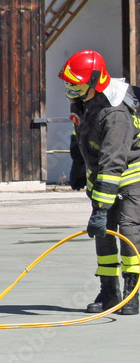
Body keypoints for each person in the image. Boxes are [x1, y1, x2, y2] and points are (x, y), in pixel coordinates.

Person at [59, 50, 140, 315]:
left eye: (75, 82)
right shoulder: (82, 101)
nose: (69, 87)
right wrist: (78, 165)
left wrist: (101, 209)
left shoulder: (116, 114)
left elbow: (112, 162)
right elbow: (78, 132)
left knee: (128, 231)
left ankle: (132, 293)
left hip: (130, 177)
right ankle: (109, 292)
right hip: (103, 178)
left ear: (94, 81)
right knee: (103, 235)